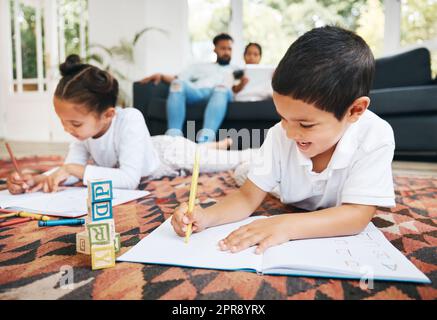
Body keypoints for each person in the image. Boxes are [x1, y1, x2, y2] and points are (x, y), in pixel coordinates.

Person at [170, 26, 396, 255]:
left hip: (290, 187)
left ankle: (248, 161)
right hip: (282, 186)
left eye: (305, 124)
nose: (289, 132)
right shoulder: (280, 134)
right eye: (282, 117)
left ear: (355, 110)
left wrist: (285, 225)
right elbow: (247, 198)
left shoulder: (376, 135)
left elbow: (356, 215)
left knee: (249, 168)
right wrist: (205, 216)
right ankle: (248, 162)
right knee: (244, 174)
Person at [7, 55, 253, 194]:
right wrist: (37, 180)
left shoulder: (130, 118)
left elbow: (129, 179)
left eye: (74, 123)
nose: (68, 129)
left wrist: (71, 170)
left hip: (171, 153)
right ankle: (217, 144)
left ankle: (228, 148)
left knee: (235, 160)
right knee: (203, 150)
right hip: (151, 148)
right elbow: (69, 170)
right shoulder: (84, 135)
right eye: (63, 123)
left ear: (108, 114)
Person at [140, 33, 238, 143]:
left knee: (220, 89)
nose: (226, 52)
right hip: (197, 92)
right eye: (223, 48)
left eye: (229, 49)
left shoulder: (237, 69)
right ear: (215, 49)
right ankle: (173, 137)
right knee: (177, 84)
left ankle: (205, 139)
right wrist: (161, 76)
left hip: (221, 94)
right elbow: (178, 78)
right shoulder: (199, 66)